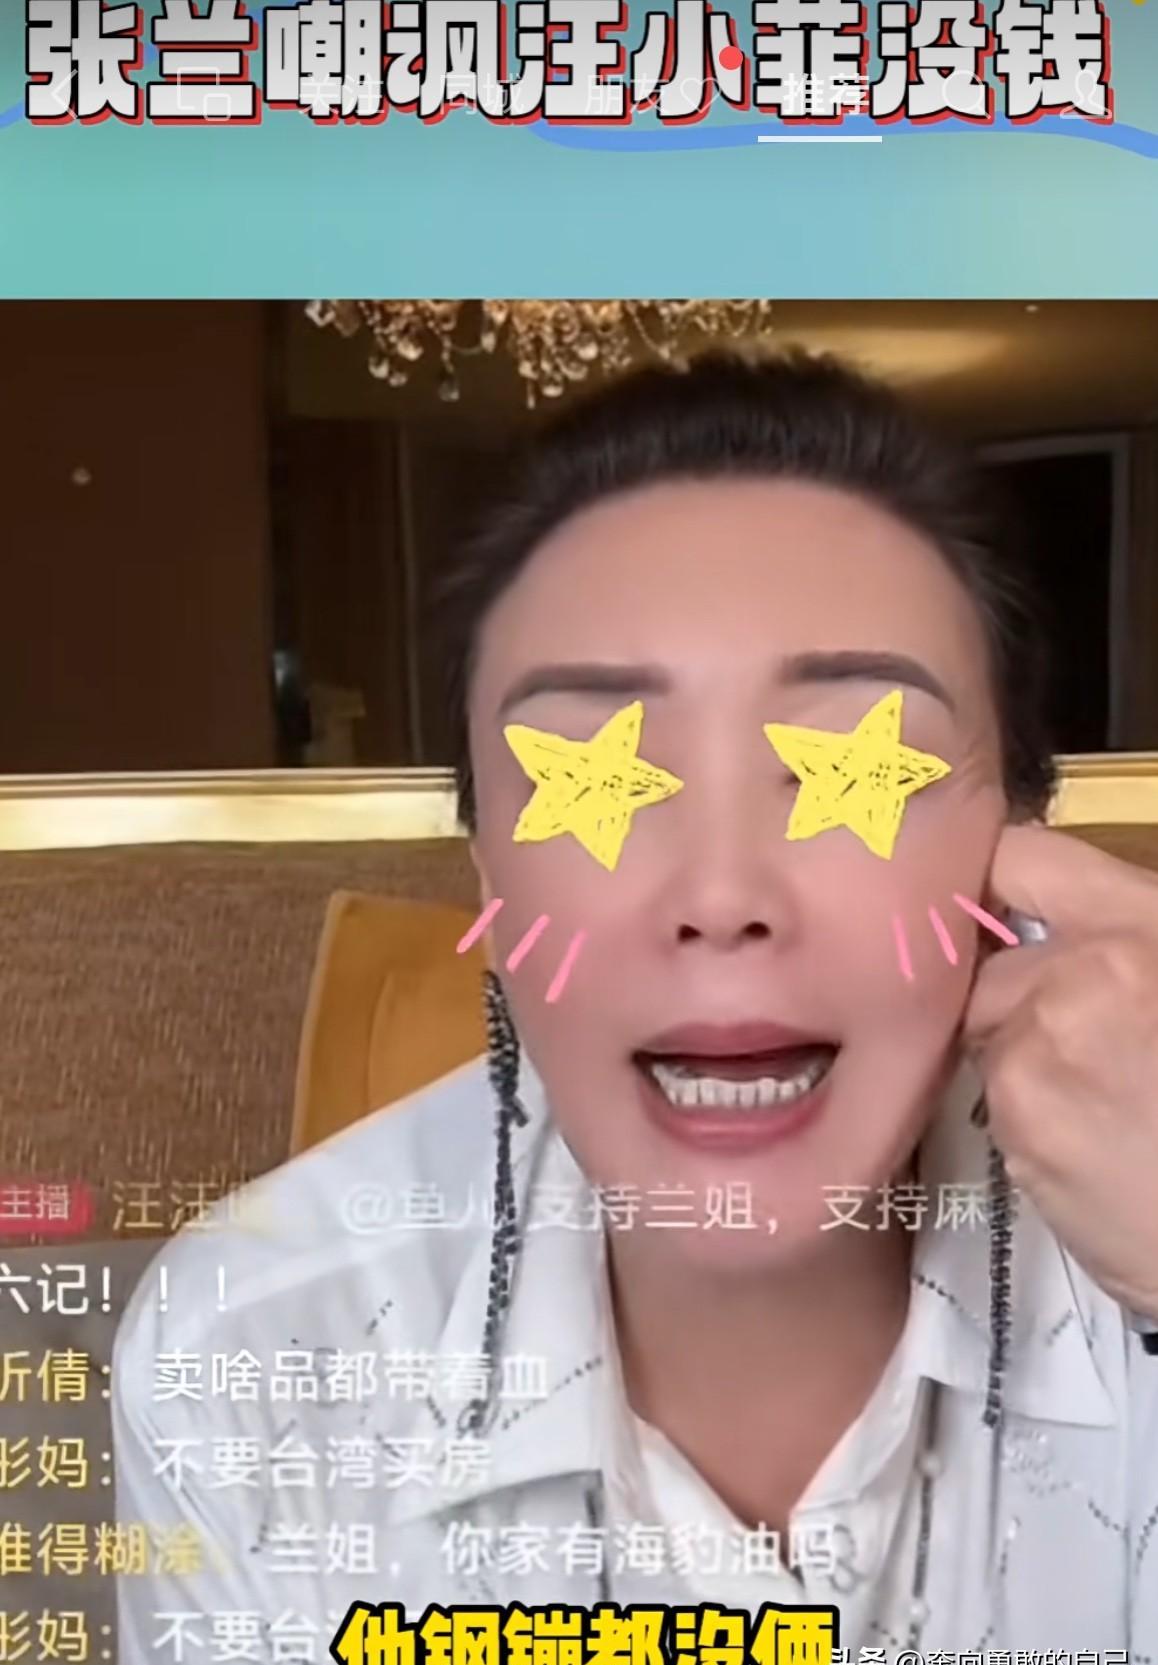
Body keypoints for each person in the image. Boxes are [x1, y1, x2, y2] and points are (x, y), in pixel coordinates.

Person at [112, 350, 1158, 1661]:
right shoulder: (256, 1345)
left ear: (1020, 852)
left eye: (859, 767)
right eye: (594, 780)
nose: (720, 896)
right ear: (487, 873)